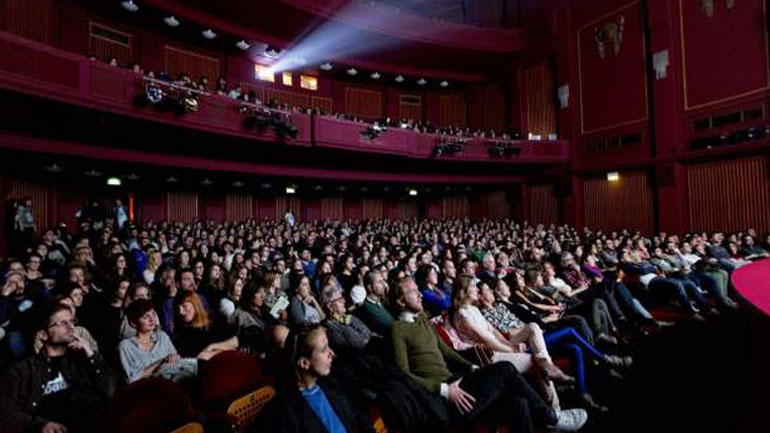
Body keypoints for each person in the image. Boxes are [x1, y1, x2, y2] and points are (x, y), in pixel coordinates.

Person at [389, 276, 588, 433]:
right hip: (444, 399)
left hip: (459, 381)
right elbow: (402, 373)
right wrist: (444, 390)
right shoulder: (397, 329)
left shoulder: (423, 320)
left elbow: (447, 353)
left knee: (519, 400)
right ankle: (552, 418)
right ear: (400, 301)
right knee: (507, 369)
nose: (420, 294)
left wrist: (472, 368)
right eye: (414, 291)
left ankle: (552, 418)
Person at [0, 303, 115, 433]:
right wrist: (40, 425)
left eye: (72, 321)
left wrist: (91, 353)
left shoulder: (81, 360)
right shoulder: (22, 370)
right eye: (62, 323)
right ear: (42, 334)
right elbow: (5, 415)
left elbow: (109, 389)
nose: (71, 327)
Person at [262, 326, 376, 433]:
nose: (332, 353)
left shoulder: (331, 382)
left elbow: (357, 416)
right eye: (324, 349)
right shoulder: (284, 413)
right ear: (304, 363)